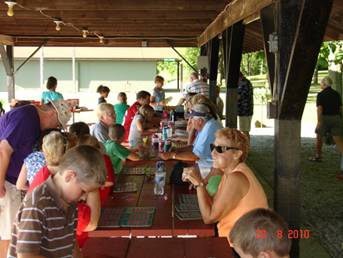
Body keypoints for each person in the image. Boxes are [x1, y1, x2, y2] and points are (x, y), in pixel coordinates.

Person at [0, 99, 71, 258]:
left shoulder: (34, 121)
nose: (56, 128)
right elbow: (3, 150)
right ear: (52, 113)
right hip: (6, 181)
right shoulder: (26, 117)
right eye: (58, 123)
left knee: (13, 230)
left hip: (12, 181)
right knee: (9, 232)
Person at [8, 145, 106, 258]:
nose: (84, 198)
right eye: (83, 191)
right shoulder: (37, 204)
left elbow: (71, 243)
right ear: (69, 176)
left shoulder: (70, 203)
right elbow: (26, 256)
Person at [182, 128, 268, 239]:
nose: (213, 153)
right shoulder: (229, 173)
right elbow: (213, 205)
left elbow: (209, 218)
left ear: (237, 154)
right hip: (242, 240)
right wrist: (197, 182)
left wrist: (199, 184)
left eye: (220, 149)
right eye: (213, 147)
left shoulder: (237, 178)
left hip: (245, 247)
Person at [160, 103, 223, 178]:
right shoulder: (206, 125)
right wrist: (176, 150)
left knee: (172, 175)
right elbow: (193, 147)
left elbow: (196, 156)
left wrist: (172, 155)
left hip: (209, 170)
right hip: (203, 166)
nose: (190, 122)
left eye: (191, 118)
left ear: (199, 120)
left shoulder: (209, 128)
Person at [308, 77, 343, 178]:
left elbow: (319, 109)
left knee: (319, 135)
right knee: (339, 142)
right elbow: (340, 108)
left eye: (321, 83)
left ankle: (318, 155)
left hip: (326, 118)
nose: (320, 85)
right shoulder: (337, 94)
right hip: (337, 118)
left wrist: (319, 122)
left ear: (324, 84)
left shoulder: (321, 94)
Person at [237, 72, 254, 142]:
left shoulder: (244, 84)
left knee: (245, 131)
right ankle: (247, 147)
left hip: (245, 111)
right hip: (245, 110)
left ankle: (247, 148)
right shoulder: (246, 82)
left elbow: (239, 97)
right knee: (244, 130)